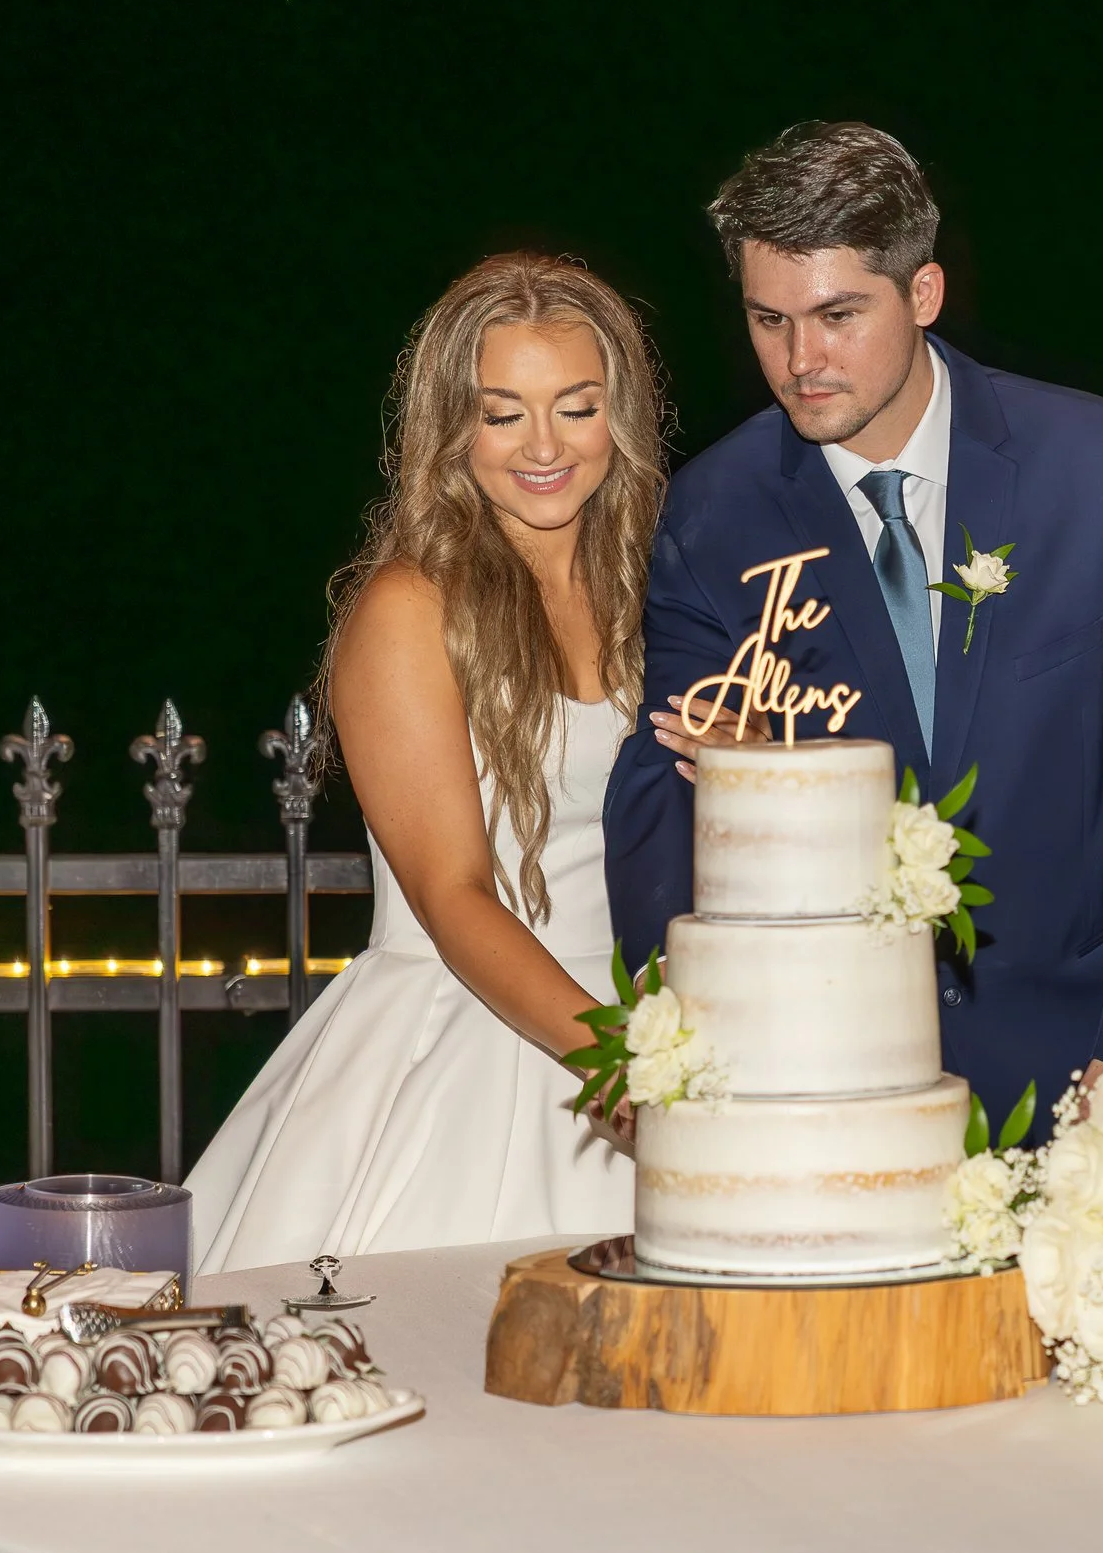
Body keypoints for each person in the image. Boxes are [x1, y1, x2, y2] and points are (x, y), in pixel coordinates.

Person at [605, 122, 1103, 1136]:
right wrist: (683, 1060)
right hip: (816, 1085)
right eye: (768, 320)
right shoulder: (708, 517)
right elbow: (662, 818)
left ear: (924, 294)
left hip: (1082, 1074)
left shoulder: (1101, 472)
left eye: (837, 315)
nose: (799, 360)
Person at [189, 252, 737, 1273]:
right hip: (473, 1036)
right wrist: (625, 1071)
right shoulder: (408, 608)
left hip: (649, 1018)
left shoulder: (656, 588)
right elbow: (452, 895)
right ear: (452, 427)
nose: (544, 446)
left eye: (576, 407)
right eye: (503, 413)